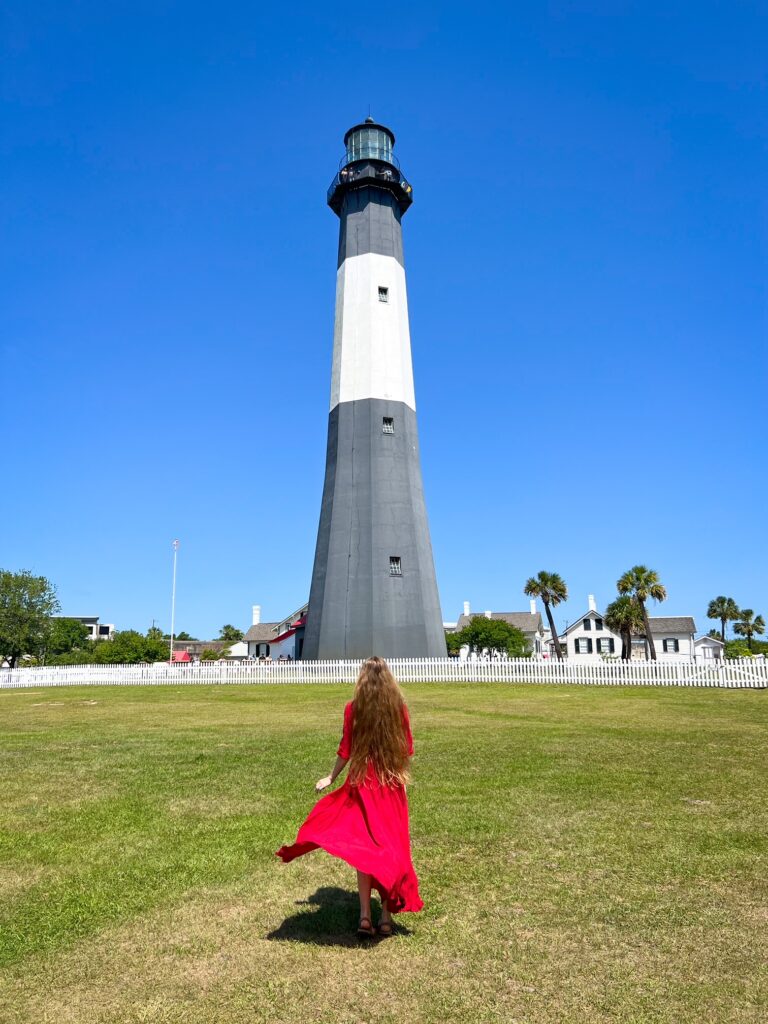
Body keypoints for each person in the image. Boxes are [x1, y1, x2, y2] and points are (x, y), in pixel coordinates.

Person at [276, 656, 423, 937]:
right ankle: (386, 917)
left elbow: (346, 748)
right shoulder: (398, 709)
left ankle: (365, 916)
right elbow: (406, 750)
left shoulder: (353, 709)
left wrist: (331, 777)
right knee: (391, 848)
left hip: (363, 783)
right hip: (390, 785)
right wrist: (401, 781)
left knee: (364, 851)